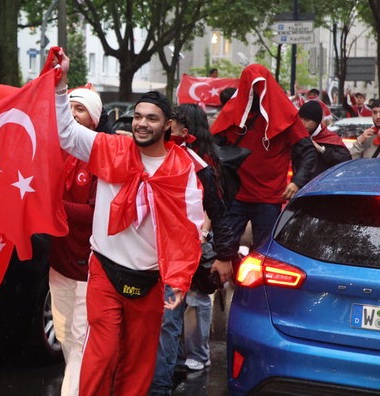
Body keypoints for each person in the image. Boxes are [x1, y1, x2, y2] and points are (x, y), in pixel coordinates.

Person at [53, 50, 204, 395]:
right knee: (100, 356)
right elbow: (65, 133)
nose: (141, 124)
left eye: (151, 118)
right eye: (137, 117)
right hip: (105, 270)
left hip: (149, 279)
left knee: (139, 364)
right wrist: (60, 86)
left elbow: (189, 229)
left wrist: (180, 280)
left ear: (167, 125)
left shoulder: (182, 172)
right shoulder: (110, 149)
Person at [149, 104, 237, 395]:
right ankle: (171, 371)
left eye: (164, 124)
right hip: (148, 255)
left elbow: (217, 209)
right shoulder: (145, 157)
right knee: (163, 323)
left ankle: (163, 383)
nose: (154, 128)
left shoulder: (197, 165)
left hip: (181, 254)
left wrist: (221, 253)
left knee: (170, 320)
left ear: (182, 131)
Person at [211, 64, 316, 251]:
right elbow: (211, 146)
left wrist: (297, 182)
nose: (255, 91)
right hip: (235, 194)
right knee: (224, 248)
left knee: (265, 253)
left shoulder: (285, 115)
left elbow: (307, 150)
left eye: (258, 86)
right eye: (250, 86)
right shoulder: (232, 111)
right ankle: (227, 279)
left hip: (269, 198)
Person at [49, 87, 102, 396]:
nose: (71, 113)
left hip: (89, 266)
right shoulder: (54, 152)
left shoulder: (99, 155)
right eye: (68, 107)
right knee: (65, 335)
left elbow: (96, 213)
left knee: (81, 339)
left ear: (93, 120)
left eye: (80, 109)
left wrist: (53, 206)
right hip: (59, 262)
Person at [297, 100, 351, 177]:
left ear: (317, 121)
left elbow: (346, 160)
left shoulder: (330, 138)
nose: (302, 123)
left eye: (306, 120)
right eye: (300, 119)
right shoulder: (297, 136)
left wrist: (321, 149)